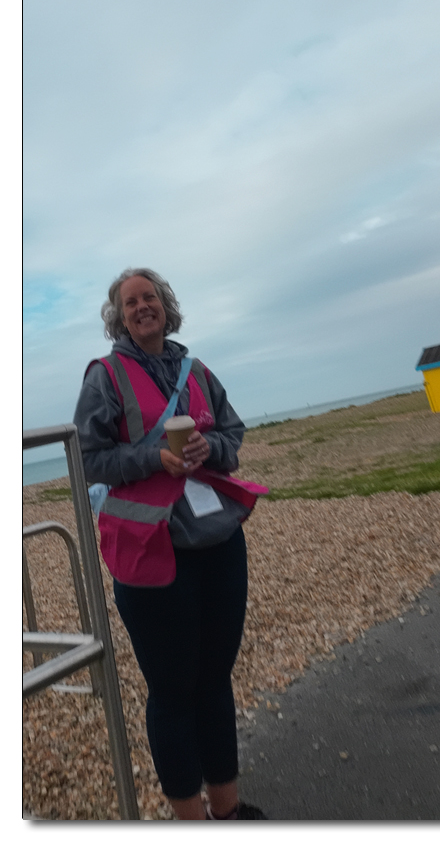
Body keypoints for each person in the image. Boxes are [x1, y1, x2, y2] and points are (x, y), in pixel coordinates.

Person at [73, 268, 268, 820]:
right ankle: (190, 820)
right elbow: (87, 459)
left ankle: (228, 813)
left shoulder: (196, 369)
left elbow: (234, 431)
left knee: (215, 680)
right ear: (119, 316)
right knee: (172, 691)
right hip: (151, 551)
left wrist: (215, 449)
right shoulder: (105, 377)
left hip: (219, 541)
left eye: (149, 297)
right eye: (130, 301)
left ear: (165, 306)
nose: (142, 307)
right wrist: (150, 458)